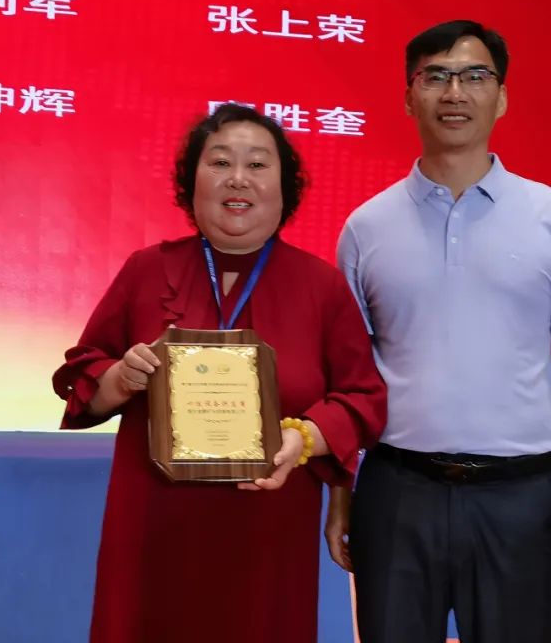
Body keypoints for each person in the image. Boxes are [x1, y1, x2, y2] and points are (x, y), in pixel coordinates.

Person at [51, 103, 386, 643]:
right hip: (154, 525)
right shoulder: (146, 270)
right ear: (192, 183)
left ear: (285, 188)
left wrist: (304, 438)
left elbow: (363, 397)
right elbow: (85, 373)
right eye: (220, 162)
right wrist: (120, 378)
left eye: (257, 165)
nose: (238, 178)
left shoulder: (321, 286)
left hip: (268, 528)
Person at [326, 20, 551, 643]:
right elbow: (348, 379)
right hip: (397, 492)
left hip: (516, 497)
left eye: (475, 76)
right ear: (409, 97)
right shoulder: (366, 227)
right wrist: (341, 496)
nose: (455, 92)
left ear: (501, 97)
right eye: (435, 77)